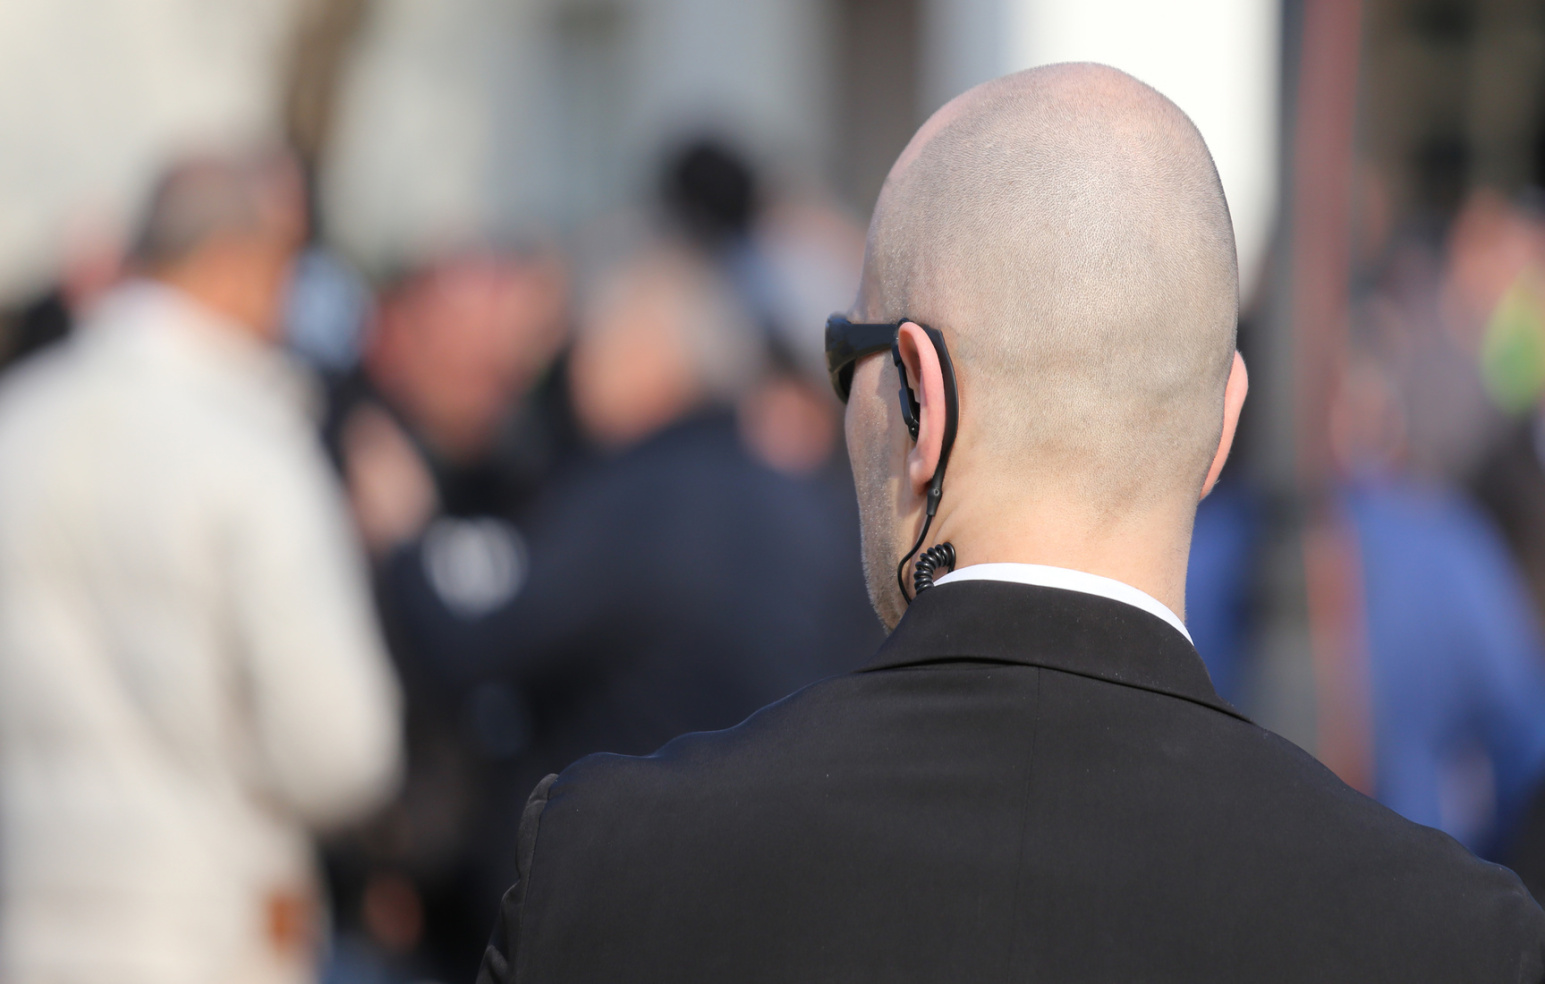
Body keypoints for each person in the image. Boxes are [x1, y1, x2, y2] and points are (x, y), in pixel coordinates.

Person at [476, 65, 1545, 982]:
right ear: (1223, 428)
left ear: (917, 402)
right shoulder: (1452, 938)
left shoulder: (608, 865)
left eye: (844, 359)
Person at [0, 152, 403, 984]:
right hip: (212, 924)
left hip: (32, 919)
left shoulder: (22, 423)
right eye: (285, 262)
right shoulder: (250, 440)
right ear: (230, 260)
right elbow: (338, 749)